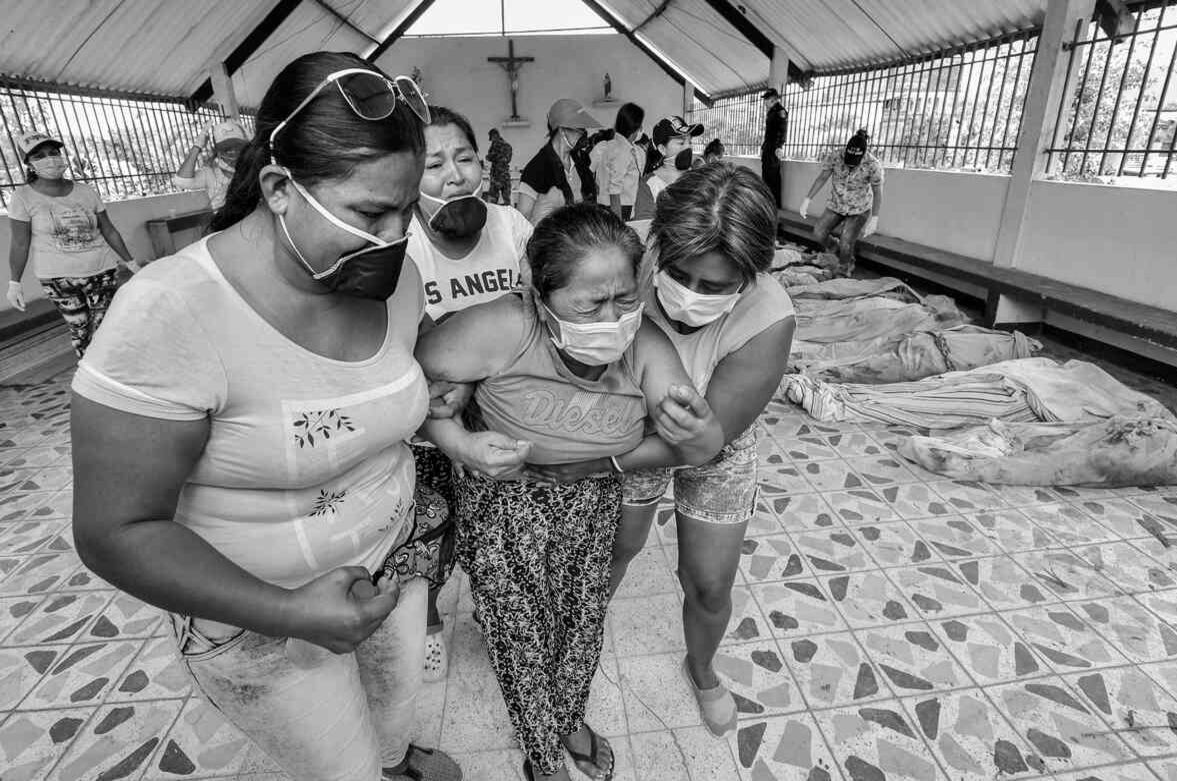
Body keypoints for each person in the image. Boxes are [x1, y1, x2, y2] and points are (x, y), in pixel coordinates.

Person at [69, 52, 474, 781]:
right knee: (340, 768)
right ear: (281, 189)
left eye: (407, 208)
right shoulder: (172, 313)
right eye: (370, 212)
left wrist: (421, 404)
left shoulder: (400, 279)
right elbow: (114, 531)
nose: (397, 235)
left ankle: (396, 760)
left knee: (390, 725)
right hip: (256, 626)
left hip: (396, 565)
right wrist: (287, 611)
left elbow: (365, 398)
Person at [416, 203, 724, 781]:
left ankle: (568, 717)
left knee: (579, 626)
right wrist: (456, 434)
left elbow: (700, 442)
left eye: (625, 299)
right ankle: (542, 751)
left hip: (590, 507)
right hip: (504, 508)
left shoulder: (644, 344)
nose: (613, 318)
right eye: (591, 304)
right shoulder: (504, 327)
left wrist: (698, 427)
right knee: (519, 636)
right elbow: (406, 393)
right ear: (539, 292)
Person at [545, 164, 795, 738]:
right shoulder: (625, 259)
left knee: (708, 583)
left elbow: (708, 443)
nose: (690, 296)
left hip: (712, 449)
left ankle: (702, 668)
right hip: (625, 426)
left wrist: (592, 462)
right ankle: (568, 651)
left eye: (715, 287)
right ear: (657, 244)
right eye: (679, 275)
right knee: (610, 553)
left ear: (751, 275)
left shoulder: (770, 317)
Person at [404, 104, 534, 680]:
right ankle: (428, 622)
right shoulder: (401, 243)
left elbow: (534, 311)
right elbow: (388, 341)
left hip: (503, 416)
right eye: (433, 164)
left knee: (502, 537)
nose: (453, 175)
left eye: (464, 158)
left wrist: (469, 377)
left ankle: (494, 612)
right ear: (408, 176)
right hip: (428, 426)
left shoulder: (511, 228)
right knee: (430, 535)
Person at [6, 130, 142, 357]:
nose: (50, 159)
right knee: (80, 329)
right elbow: (20, 243)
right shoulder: (22, 197)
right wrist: (14, 282)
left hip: (102, 271)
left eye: (53, 152)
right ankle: (90, 372)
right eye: (39, 156)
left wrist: (131, 262)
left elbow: (108, 229)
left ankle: (113, 369)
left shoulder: (85, 191)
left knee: (107, 326)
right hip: (59, 279)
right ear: (29, 164)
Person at [799, 129, 884, 276]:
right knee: (819, 232)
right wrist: (807, 199)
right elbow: (822, 178)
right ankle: (837, 248)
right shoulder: (835, 156)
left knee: (847, 239)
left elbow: (878, 192)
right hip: (836, 204)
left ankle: (844, 268)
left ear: (863, 154)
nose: (850, 166)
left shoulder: (873, 165)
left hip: (859, 209)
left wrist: (874, 218)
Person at [515, 98, 600, 225]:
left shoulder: (580, 164)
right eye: (579, 130)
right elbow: (521, 219)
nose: (583, 135)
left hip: (576, 239)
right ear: (562, 130)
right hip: (546, 241)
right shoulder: (537, 168)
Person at [631, 116, 703, 221]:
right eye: (681, 143)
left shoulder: (698, 179)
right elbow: (644, 229)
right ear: (662, 149)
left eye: (690, 142)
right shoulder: (649, 185)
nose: (688, 147)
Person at [172, 120, 250, 210]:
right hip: (227, 220)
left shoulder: (251, 166)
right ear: (218, 150)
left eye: (237, 146)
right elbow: (182, 181)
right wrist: (198, 146)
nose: (233, 151)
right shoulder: (210, 173)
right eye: (226, 148)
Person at [601, 102, 645, 220]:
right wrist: (618, 220)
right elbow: (614, 189)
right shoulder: (621, 151)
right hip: (620, 207)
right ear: (634, 127)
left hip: (620, 205)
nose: (642, 129)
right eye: (640, 125)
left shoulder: (619, 146)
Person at [761, 87, 787, 209]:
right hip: (768, 148)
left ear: (772, 99)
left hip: (774, 150)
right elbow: (769, 133)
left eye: (766, 99)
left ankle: (775, 207)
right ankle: (767, 205)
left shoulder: (780, 112)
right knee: (767, 177)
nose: (765, 102)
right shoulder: (772, 111)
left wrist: (778, 147)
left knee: (773, 179)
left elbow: (782, 131)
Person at [484, 127, 513, 205]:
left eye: (491, 137)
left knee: (493, 201)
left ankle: (493, 216)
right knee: (507, 200)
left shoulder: (495, 144)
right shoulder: (508, 145)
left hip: (496, 175)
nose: (492, 140)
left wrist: (487, 157)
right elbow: (509, 159)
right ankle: (508, 215)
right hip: (505, 175)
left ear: (494, 135)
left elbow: (491, 157)